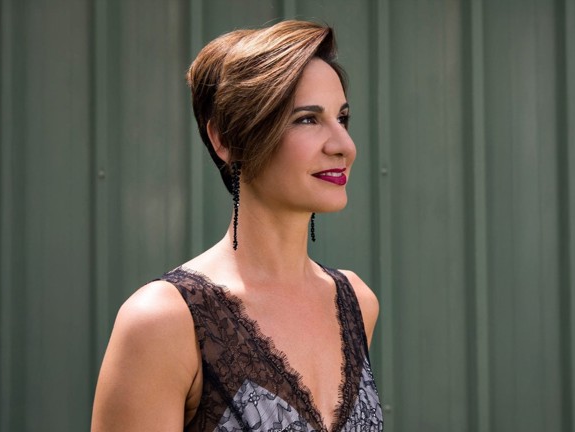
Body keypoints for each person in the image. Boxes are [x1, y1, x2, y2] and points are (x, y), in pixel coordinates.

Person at [91, 20, 383, 432]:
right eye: (307, 119)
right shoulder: (164, 322)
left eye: (343, 118)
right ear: (225, 140)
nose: (344, 146)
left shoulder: (355, 303)